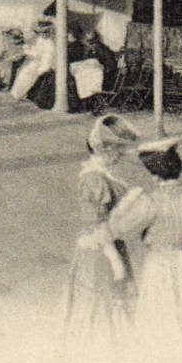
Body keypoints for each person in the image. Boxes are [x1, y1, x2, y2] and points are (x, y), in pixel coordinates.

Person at [109, 136, 182, 348]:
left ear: (153, 173)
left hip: (160, 263)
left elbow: (118, 229)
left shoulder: (149, 201)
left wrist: (127, 202)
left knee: (160, 321)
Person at [62, 115, 140, 349]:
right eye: (118, 150)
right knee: (102, 304)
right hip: (100, 252)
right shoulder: (94, 179)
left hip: (109, 245)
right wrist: (115, 259)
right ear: (105, 149)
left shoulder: (103, 175)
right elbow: (96, 225)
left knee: (112, 304)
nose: (121, 155)